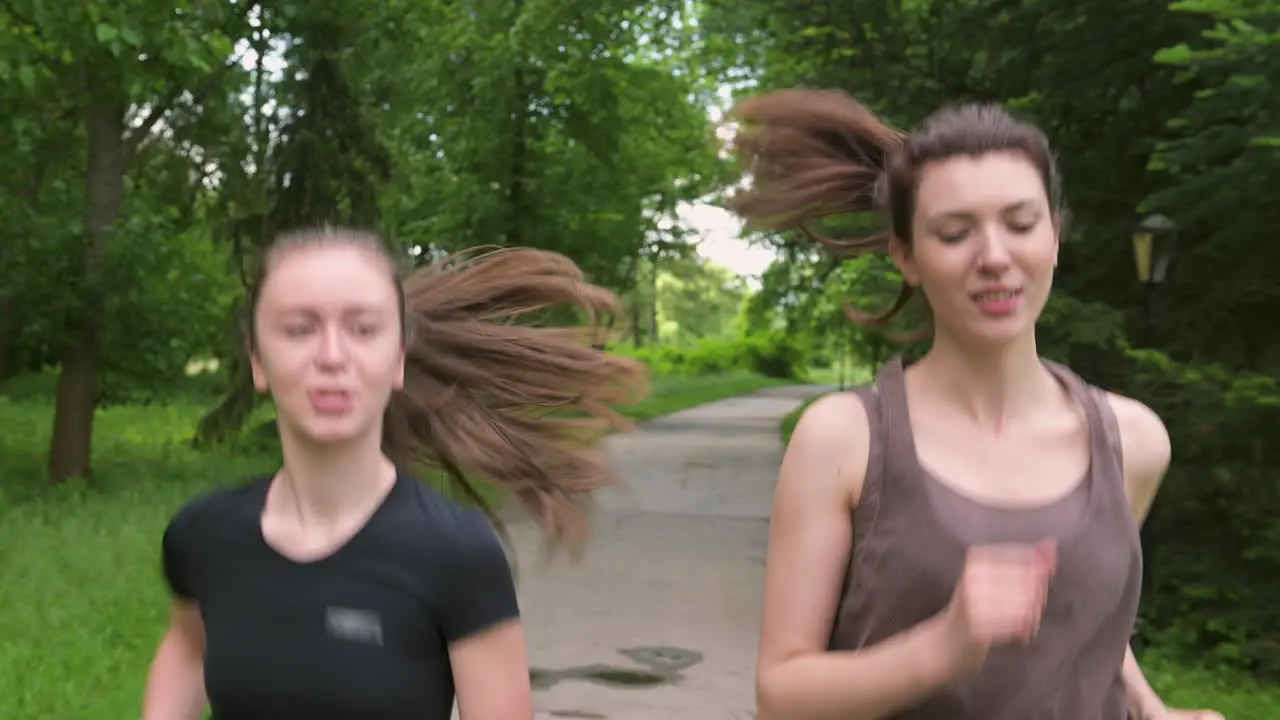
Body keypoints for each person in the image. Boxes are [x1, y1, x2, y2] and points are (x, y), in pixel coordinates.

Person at [727, 90, 1223, 720]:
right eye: (955, 233)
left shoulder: (1135, 442)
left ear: (1055, 239)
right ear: (907, 257)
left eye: (1020, 224)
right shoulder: (845, 439)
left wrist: (1157, 712)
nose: (994, 257)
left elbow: (1091, 625)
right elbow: (782, 696)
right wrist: (942, 647)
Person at [140, 228, 647, 720]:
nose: (332, 357)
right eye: (299, 329)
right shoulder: (204, 536)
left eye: (364, 329)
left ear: (398, 358)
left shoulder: (454, 553)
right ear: (257, 360)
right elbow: (188, 650)